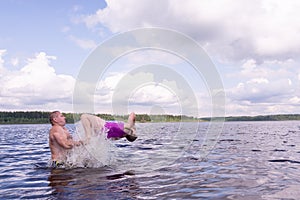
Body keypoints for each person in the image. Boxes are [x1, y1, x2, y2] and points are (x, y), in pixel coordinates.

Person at [49, 111, 137, 168]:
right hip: (58, 164)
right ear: (55, 119)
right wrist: (82, 142)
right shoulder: (56, 129)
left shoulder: (63, 129)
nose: (64, 117)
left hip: (63, 164)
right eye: (61, 116)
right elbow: (65, 144)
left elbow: (70, 145)